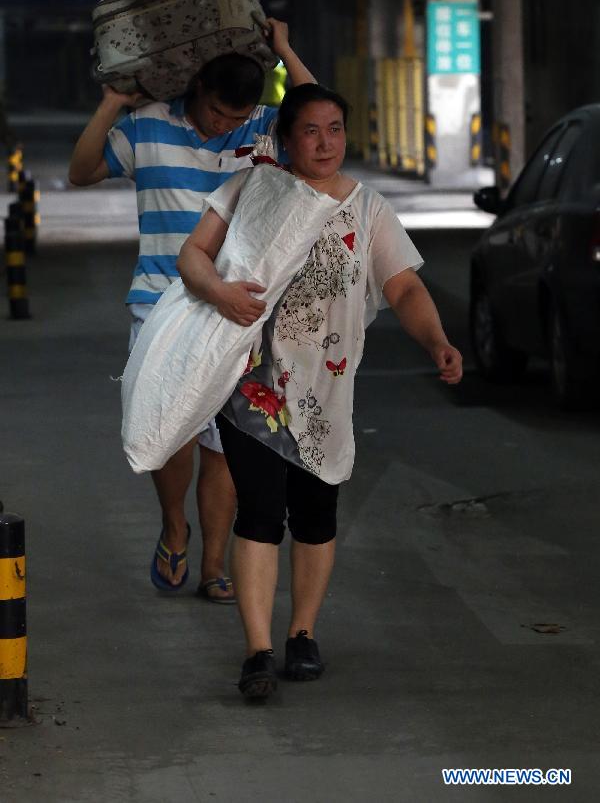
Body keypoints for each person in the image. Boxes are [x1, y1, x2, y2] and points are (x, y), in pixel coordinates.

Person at [176, 83, 463, 697]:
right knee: (259, 508)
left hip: (326, 391)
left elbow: (404, 288)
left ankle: (302, 634)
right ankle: (257, 649)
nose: (325, 141)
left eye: (335, 128)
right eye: (310, 130)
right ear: (286, 138)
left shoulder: (367, 208)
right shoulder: (252, 190)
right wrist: (217, 291)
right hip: (249, 382)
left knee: (315, 514)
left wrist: (435, 340)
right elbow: (193, 254)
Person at [68, 19, 316, 601]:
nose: (225, 127)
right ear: (196, 90)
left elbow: (317, 117)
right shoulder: (148, 125)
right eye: (215, 114)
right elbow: (80, 172)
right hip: (160, 300)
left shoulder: (259, 129)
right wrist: (111, 103)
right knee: (171, 428)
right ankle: (173, 524)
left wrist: (284, 49)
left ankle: (213, 564)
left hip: (238, 307)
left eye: (235, 117)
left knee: (224, 443)